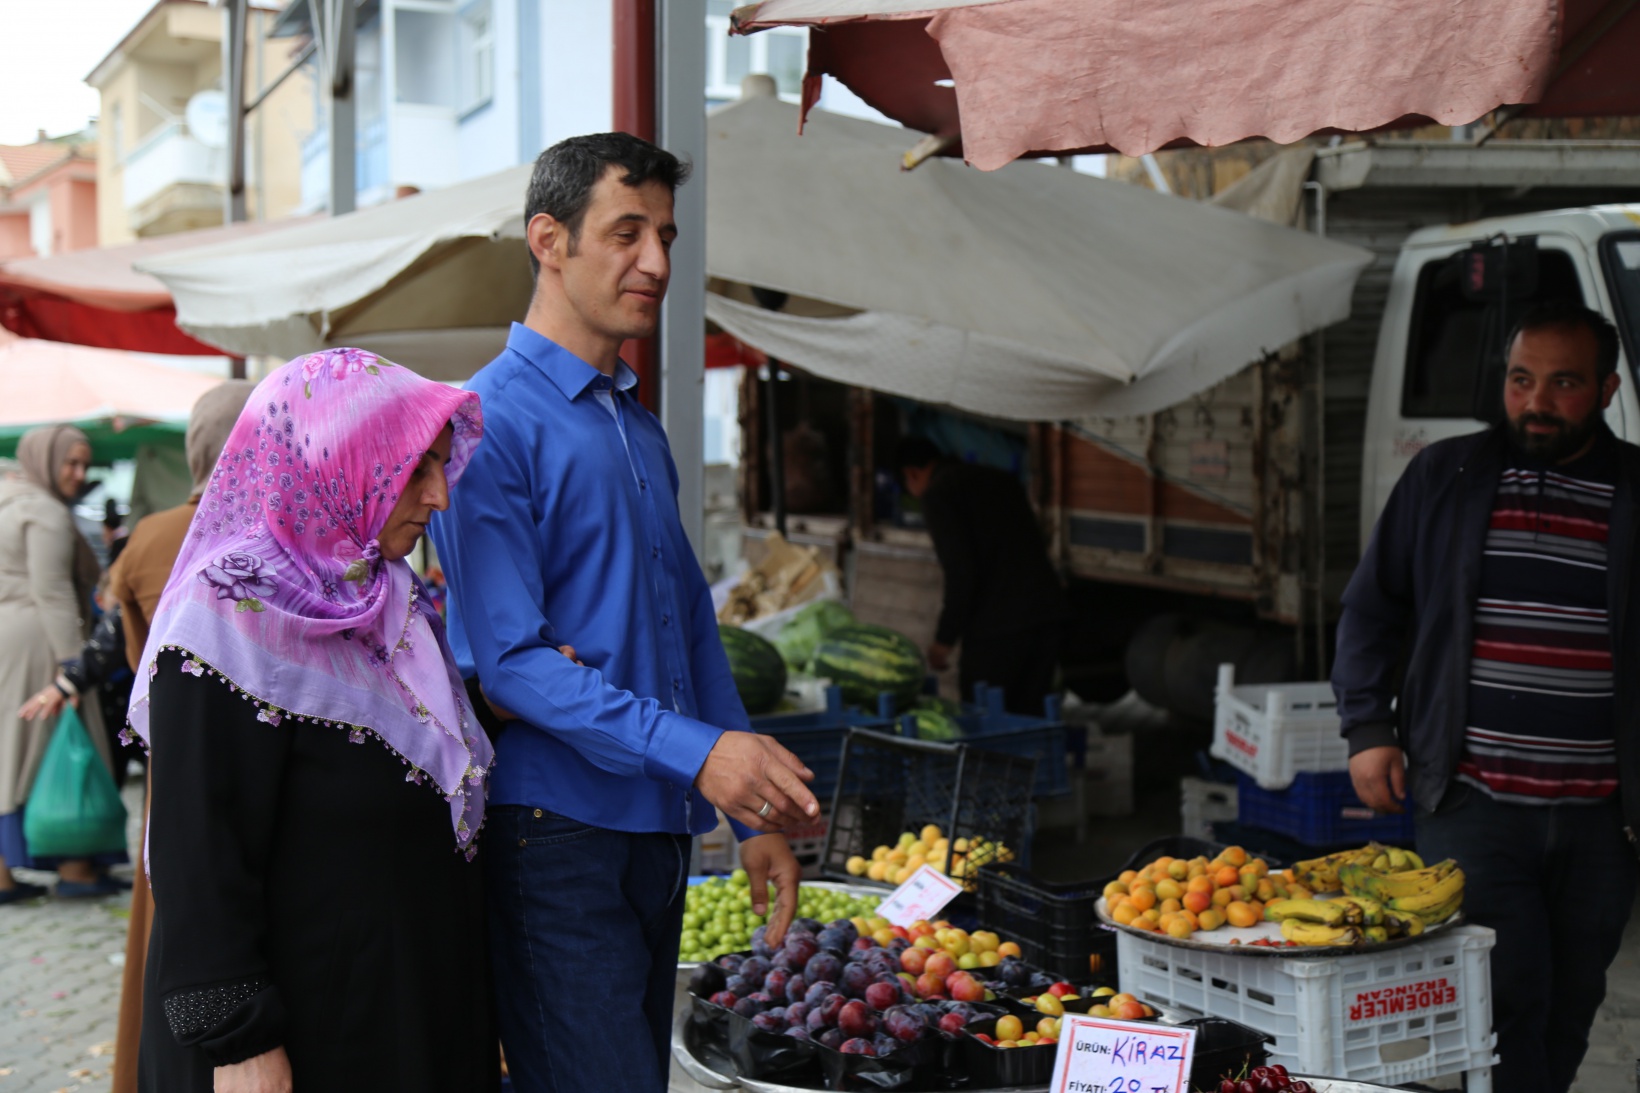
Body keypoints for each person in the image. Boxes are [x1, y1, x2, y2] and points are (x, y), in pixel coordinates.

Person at [430, 132, 818, 1093]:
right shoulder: (488, 421)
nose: (657, 262)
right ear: (549, 240)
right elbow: (508, 661)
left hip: (659, 829)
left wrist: (750, 794)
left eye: (669, 236)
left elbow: (689, 617)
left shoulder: (634, 421)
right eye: (627, 232)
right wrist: (703, 753)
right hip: (552, 834)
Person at [132, 349, 497, 1092]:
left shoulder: (386, 601)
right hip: (303, 1037)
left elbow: (401, 755)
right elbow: (197, 844)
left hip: (400, 1014)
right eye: (414, 468)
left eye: (439, 465)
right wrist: (238, 1039)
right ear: (341, 459)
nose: (439, 496)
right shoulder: (227, 616)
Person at [1333, 301, 1640, 1093]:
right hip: (1473, 802)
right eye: (1520, 379)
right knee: (1503, 998)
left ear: (1606, 389)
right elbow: (1372, 608)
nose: (1535, 401)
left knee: (1573, 998)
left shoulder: (1636, 490)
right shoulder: (1448, 475)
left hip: (1604, 814)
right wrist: (1369, 726)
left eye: (1563, 382)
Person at [105, 379, 254, 1093]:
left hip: (174, 761)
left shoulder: (150, 539)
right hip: (262, 773)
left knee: (170, 930)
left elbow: (136, 665)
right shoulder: (267, 537)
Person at [0, 425, 114, 902]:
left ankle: (8, 874)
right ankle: (76, 865)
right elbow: (52, 591)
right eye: (70, 462)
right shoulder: (43, 511)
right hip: (41, 639)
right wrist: (74, 664)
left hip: (9, 632)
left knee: (12, 749)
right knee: (63, 743)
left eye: (84, 464)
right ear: (45, 460)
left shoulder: (9, 499)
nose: (79, 473)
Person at [896, 436, 1069, 714]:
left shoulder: (940, 494)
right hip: (1045, 613)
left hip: (998, 628)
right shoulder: (997, 478)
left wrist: (944, 640)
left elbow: (961, 572)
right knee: (1032, 716)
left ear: (911, 474)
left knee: (985, 719)